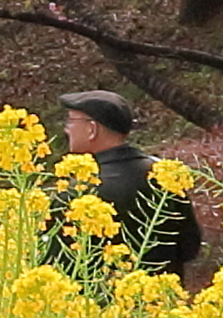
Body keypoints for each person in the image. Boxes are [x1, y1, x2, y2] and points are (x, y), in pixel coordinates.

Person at [47, 91, 198, 276]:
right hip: (161, 300)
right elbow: (190, 248)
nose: (67, 129)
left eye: (71, 121)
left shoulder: (77, 192)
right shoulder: (166, 176)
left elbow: (57, 265)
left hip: (97, 302)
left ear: (92, 129)